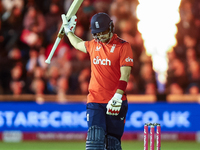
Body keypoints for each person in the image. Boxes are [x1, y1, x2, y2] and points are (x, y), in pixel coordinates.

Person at [61, 12, 133, 150]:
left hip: (116, 102)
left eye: (103, 32)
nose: (100, 37)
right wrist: (68, 32)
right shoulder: (93, 45)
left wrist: (117, 96)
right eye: (97, 34)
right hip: (95, 100)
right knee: (94, 142)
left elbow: (125, 74)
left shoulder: (124, 46)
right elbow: (78, 44)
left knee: (112, 144)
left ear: (111, 28)